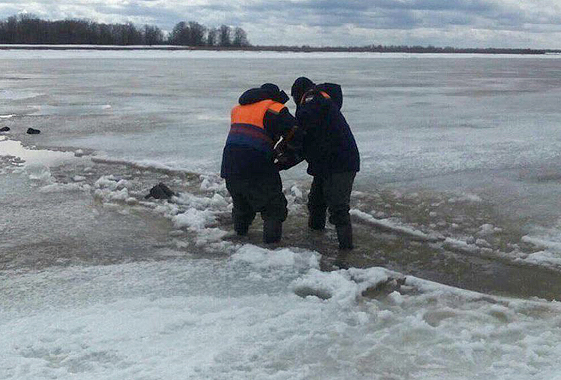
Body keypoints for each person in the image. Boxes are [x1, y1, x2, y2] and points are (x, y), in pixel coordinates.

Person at [220, 83, 302, 244]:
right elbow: (295, 132)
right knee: (273, 207)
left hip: (230, 164)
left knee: (242, 205)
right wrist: (287, 149)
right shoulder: (274, 108)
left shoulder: (238, 109)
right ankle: (271, 250)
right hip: (256, 164)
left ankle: (238, 240)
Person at [291, 77, 360, 250]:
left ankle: (346, 250)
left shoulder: (313, 97)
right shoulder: (322, 104)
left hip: (340, 162)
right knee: (316, 202)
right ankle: (315, 242)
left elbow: (305, 120)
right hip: (325, 162)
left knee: (338, 207)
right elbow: (309, 140)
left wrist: (295, 128)